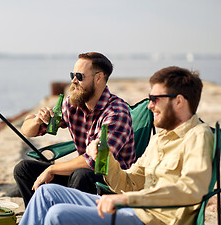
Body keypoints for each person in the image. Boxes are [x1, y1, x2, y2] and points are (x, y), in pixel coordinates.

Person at [19, 66, 214, 225]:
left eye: (155, 99)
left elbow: (190, 190)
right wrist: (105, 158)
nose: (149, 105)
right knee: (46, 192)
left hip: (154, 219)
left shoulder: (199, 135)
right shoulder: (160, 138)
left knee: (58, 214)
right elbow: (130, 183)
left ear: (179, 101)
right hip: (134, 208)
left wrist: (126, 200)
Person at [14, 52, 136, 206]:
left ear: (99, 78)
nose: (73, 80)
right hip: (84, 176)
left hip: (112, 183)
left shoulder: (116, 112)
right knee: (23, 169)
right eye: (72, 74)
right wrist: (37, 120)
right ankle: (39, 217)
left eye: (79, 76)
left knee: (81, 174)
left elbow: (96, 160)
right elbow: (28, 131)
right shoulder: (72, 104)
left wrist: (52, 170)